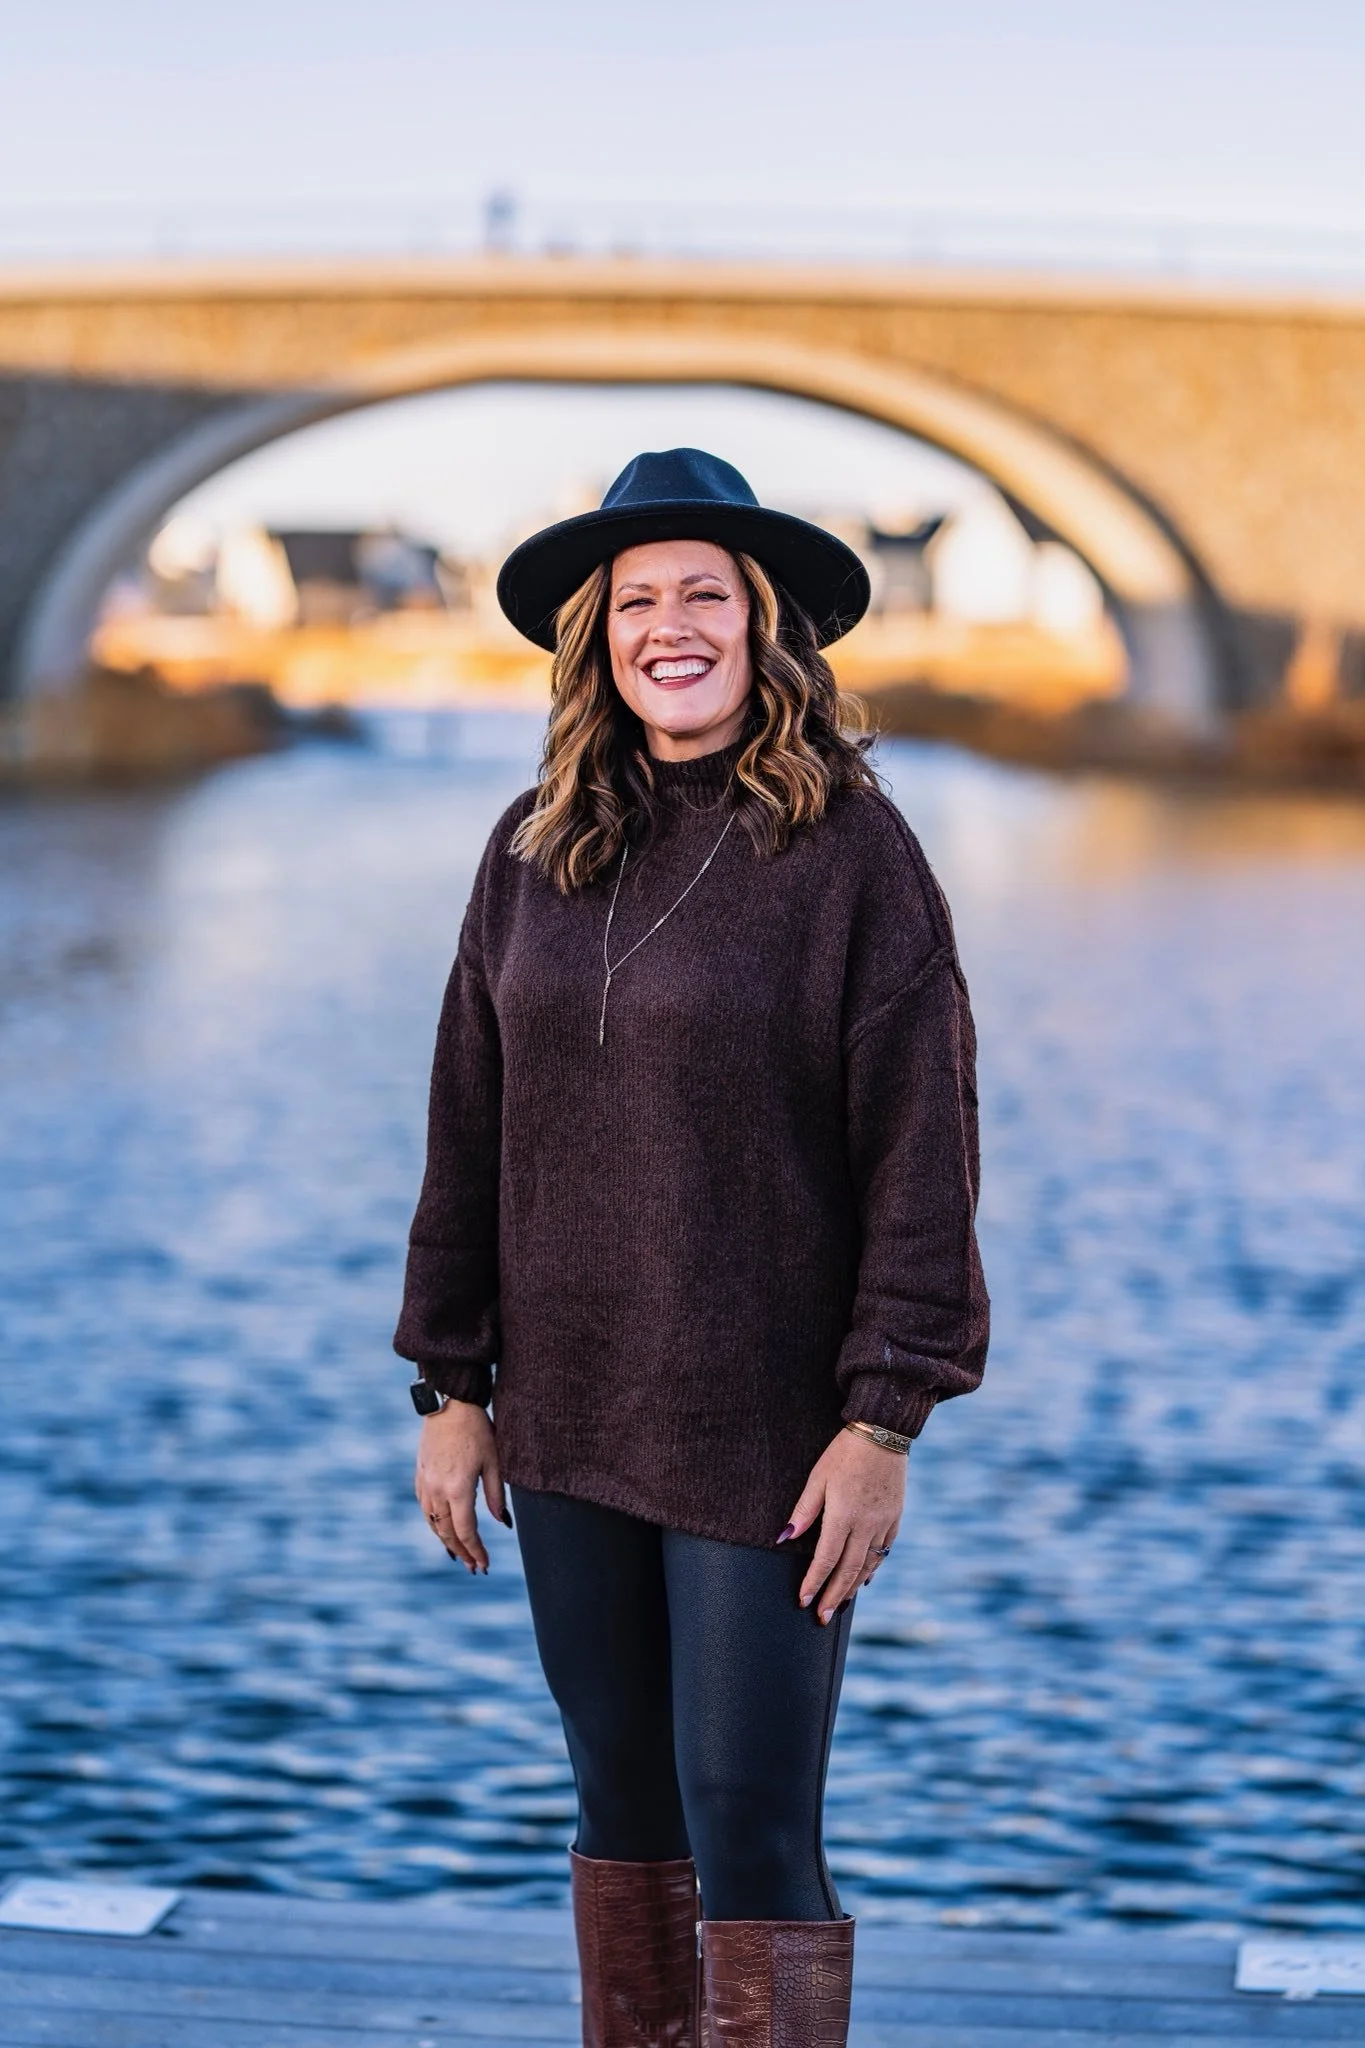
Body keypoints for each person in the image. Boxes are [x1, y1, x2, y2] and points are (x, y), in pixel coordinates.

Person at [395, 448, 989, 2047]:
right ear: (597, 639)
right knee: (621, 1810)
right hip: (571, 1415)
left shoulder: (854, 856)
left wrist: (883, 1424)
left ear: (765, 626)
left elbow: (922, 1165)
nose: (670, 627)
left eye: (703, 596)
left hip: (766, 1433)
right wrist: (450, 1384)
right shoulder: (529, 849)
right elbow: (467, 1131)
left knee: (749, 1820)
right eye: (636, 600)